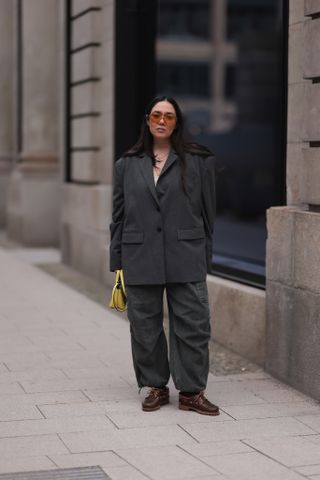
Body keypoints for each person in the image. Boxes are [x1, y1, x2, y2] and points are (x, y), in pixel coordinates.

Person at [109, 95, 219, 416]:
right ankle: (155, 385)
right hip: (138, 253)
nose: (161, 120)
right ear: (147, 120)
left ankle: (191, 391)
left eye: (169, 116)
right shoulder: (126, 164)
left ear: (176, 122)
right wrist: (117, 263)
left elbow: (209, 215)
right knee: (144, 325)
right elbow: (118, 216)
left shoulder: (198, 161)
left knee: (194, 324)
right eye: (156, 115)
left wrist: (204, 258)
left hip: (187, 253)